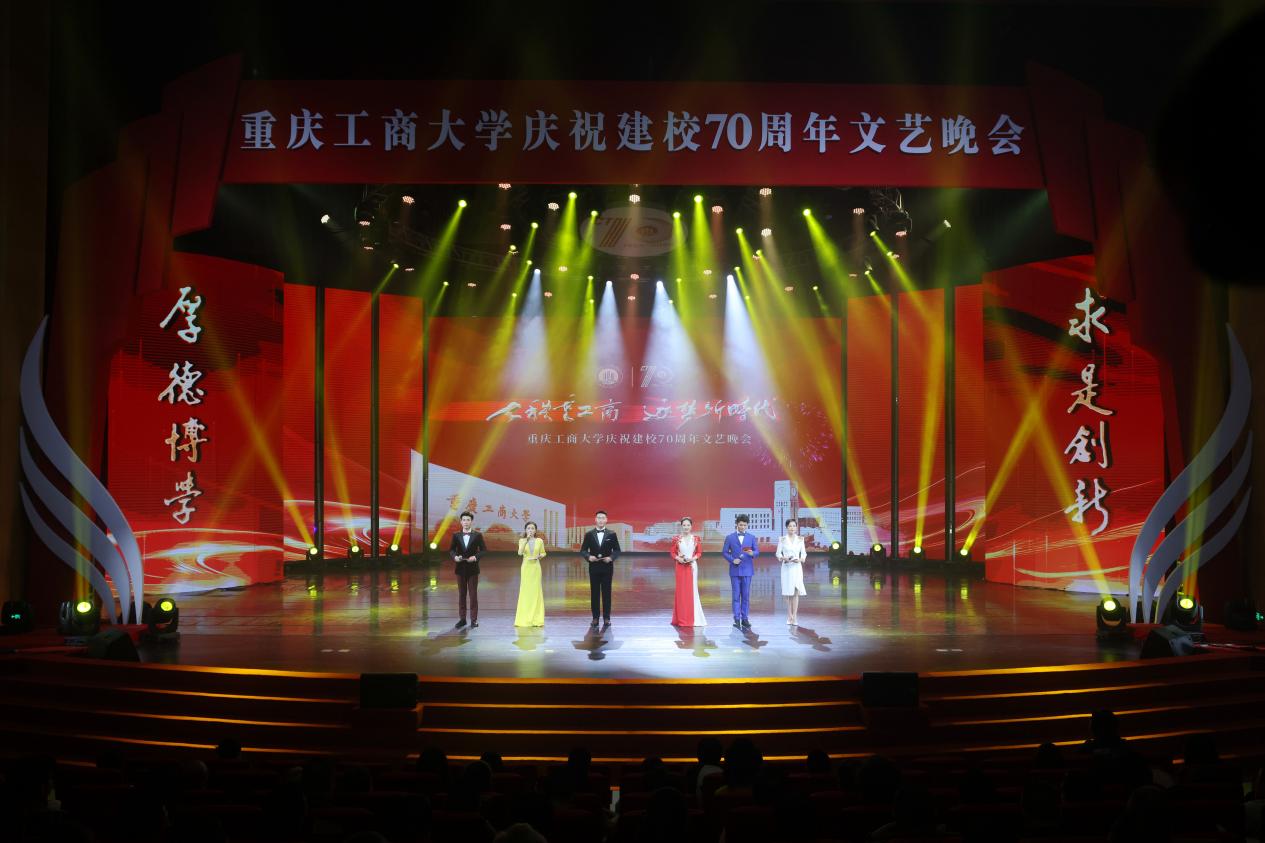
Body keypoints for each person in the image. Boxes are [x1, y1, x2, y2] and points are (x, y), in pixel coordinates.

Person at [578, 510, 621, 627]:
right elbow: (583, 550)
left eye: (603, 518)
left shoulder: (612, 534)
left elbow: (617, 550)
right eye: (599, 518)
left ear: (606, 520)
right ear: (595, 519)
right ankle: (595, 618)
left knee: (607, 593)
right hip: (594, 568)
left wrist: (611, 558)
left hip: (607, 568)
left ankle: (607, 618)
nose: (601, 520)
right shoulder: (589, 534)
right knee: (594, 593)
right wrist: (588, 557)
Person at [448, 511, 486, 628]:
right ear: (461, 522)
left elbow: (483, 550)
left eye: (468, 520)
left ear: (471, 521)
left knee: (473, 595)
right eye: (464, 520)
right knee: (462, 595)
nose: (466, 522)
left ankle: (473, 620)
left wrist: (475, 557)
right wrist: (455, 557)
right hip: (460, 569)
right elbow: (451, 550)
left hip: (473, 569)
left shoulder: (477, 535)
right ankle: (462, 619)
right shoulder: (456, 535)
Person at [721, 514, 758, 629]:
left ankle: (745, 618)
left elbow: (757, 551)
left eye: (745, 525)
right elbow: (724, 552)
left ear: (747, 525)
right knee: (736, 596)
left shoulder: (751, 537)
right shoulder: (730, 537)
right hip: (735, 570)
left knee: (745, 596)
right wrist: (732, 560)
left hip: (747, 571)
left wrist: (753, 553)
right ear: (737, 524)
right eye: (741, 525)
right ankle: (736, 619)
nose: (742, 527)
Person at [670, 517, 706, 627]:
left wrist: (692, 559)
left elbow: (699, 553)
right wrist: (678, 558)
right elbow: (672, 552)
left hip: (692, 566)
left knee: (692, 591)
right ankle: (681, 618)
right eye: (684, 525)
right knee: (681, 592)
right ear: (681, 526)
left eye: (688, 525)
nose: (686, 527)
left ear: (691, 526)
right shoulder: (676, 539)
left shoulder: (695, 539)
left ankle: (692, 618)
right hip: (680, 566)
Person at [514, 521, 546, 627]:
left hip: (536, 567)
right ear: (525, 530)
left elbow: (543, 552)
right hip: (526, 567)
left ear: (535, 530)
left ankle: (536, 618)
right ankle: (524, 618)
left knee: (536, 591)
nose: (530, 530)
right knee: (525, 591)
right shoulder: (522, 540)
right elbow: (519, 553)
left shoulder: (539, 541)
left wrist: (540, 556)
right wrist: (526, 540)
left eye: (532, 528)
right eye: (528, 528)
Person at [776, 518, 807, 625]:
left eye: (794, 526)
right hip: (786, 568)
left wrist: (800, 559)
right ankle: (789, 615)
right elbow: (778, 553)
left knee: (795, 592)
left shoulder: (800, 539)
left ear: (796, 527)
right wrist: (784, 558)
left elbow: (804, 553)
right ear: (787, 527)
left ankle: (795, 617)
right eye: (790, 526)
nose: (792, 528)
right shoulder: (782, 539)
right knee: (788, 592)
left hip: (797, 567)